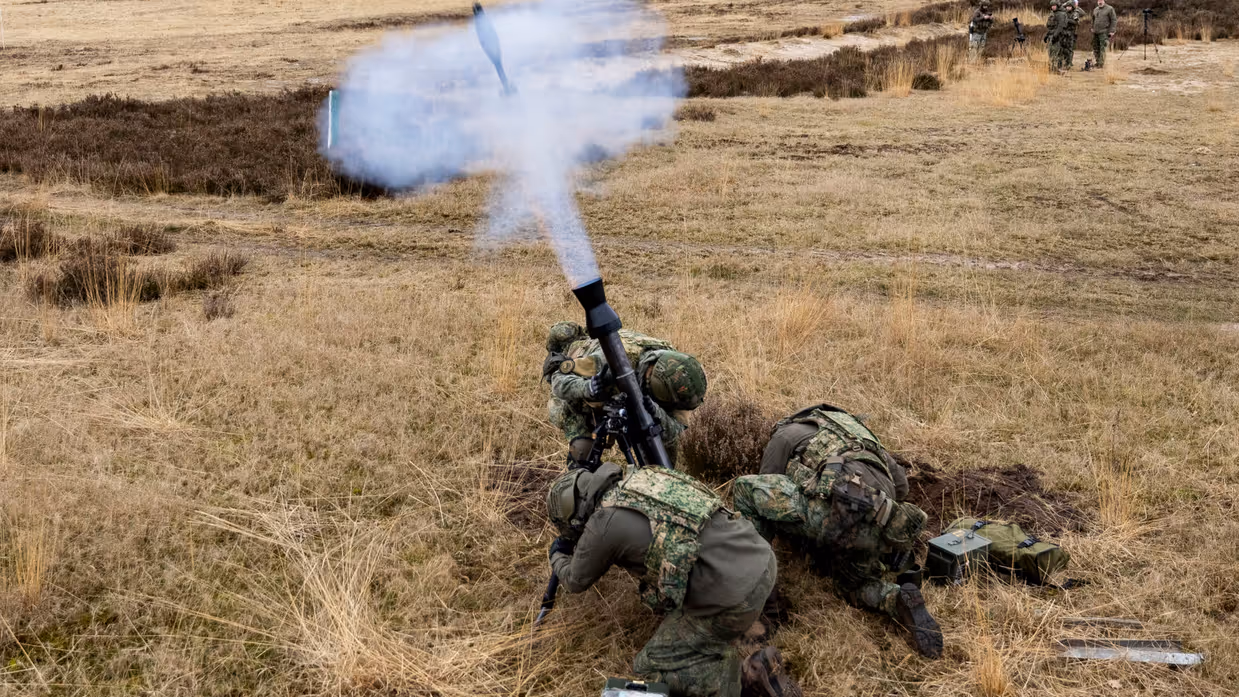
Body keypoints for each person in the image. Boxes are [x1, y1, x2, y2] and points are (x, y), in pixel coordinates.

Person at [546, 464, 800, 697]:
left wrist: (557, 552)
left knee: (649, 665)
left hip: (736, 596)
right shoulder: (642, 477)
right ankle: (768, 616)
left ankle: (748, 679)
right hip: (762, 556)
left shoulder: (601, 523)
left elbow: (574, 580)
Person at [731, 404, 943, 658]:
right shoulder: (862, 435)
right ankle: (895, 598)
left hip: (831, 516)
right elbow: (901, 486)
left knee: (745, 488)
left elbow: (768, 483)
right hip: (881, 523)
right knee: (852, 586)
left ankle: (760, 591)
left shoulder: (784, 435)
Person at [543, 321, 706, 468]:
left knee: (661, 450)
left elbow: (674, 429)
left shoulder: (680, 378)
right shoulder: (614, 359)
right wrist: (588, 387)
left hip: (631, 393)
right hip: (580, 396)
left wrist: (657, 413)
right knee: (582, 460)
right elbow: (558, 380)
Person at [1059, 0, 1086, 69]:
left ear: (1072, 7)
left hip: (1071, 33)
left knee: (1069, 48)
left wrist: (1067, 20)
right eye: (1067, 6)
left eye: (1070, 7)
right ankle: (1063, 62)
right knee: (1062, 48)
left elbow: (1076, 22)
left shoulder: (1075, 13)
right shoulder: (1064, 12)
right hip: (1064, 32)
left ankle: (1069, 63)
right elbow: (1060, 7)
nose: (1068, 8)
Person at [1091, 0, 1118, 68]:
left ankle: (1101, 64)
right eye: (1099, 1)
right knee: (1095, 47)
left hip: (1104, 32)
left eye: (1101, 1)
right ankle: (1097, 62)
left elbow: (1114, 20)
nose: (1100, 2)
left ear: (1104, 1)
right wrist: (1092, 27)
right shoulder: (1095, 9)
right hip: (1096, 32)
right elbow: (1093, 19)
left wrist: (1112, 31)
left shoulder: (1110, 9)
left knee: (1103, 47)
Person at [1045, 2, 1065, 71]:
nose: (1053, 7)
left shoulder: (1061, 14)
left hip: (1057, 36)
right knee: (1050, 52)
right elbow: (1049, 26)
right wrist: (1047, 35)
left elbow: (1060, 26)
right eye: (1052, 6)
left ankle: (1054, 68)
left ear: (1057, 6)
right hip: (1051, 35)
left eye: (1054, 6)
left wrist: (1055, 36)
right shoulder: (1052, 14)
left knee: (1055, 52)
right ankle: (1051, 67)